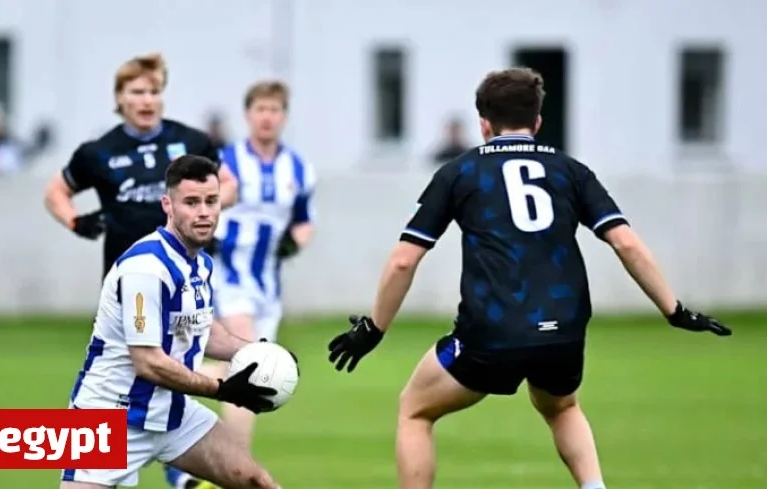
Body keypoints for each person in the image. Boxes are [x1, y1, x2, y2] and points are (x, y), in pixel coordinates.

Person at [326, 67, 732, 489]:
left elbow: (403, 261)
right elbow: (627, 244)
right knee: (561, 407)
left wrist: (373, 329)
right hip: (564, 328)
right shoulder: (571, 171)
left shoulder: (459, 172)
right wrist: (674, 310)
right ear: (537, 122)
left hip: (493, 331)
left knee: (414, 409)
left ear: (483, 123)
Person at [61, 154, 283, 489]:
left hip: (172, 413)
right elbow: (149, 363)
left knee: (256, 482)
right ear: (168, 204)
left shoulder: (199, 263)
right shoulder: (146, 267)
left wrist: (261, 353)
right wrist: (222, 390)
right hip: (112, 417)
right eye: (191, 202)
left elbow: (203, 330)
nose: (204, 212)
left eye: (211, 201)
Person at [164, 80, 316, 489]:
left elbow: (305, 221)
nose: (267, 116)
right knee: (254, 370)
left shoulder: (298, 169)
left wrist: (293, 242)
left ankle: (172, 377)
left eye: (275, 109)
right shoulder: (225, 163)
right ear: (248, 114)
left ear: (284, 116)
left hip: (267, 285)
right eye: (260, 109)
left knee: (240, 370)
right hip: (227, 278)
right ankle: (231, 471)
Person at [44, 52, 238, 280]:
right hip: (128, 272)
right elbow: (55, 192)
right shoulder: (98, 151)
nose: (147, 100)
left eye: (154, 92)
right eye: (137, 92)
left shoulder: (192, 141)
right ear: (119, 97)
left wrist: (199, 208)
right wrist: (76, 222)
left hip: (188, 268)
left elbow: (229, 185)